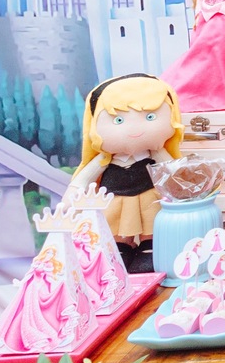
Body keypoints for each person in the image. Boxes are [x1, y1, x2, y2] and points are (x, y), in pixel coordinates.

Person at [69, 73, 185, 273]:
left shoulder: (155, 153)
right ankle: (121, 247)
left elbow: (174, 171)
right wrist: (72, 196)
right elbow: (83, 179)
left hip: (150, 196)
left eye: (150, 117)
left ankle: (150, 248)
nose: (135, 129)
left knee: (152, 223)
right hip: (115, 199)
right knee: (116, 227)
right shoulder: (104, 159)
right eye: (119, 120)